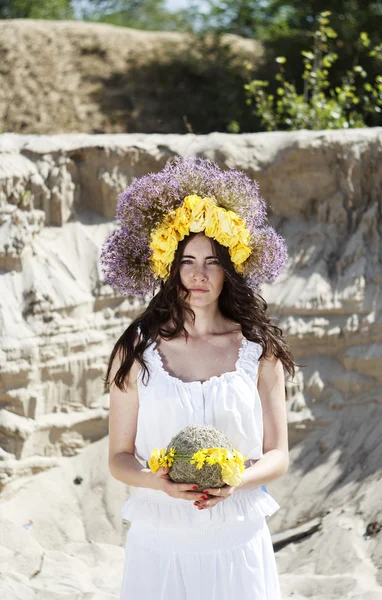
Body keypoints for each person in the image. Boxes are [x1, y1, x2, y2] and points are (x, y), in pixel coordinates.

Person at [101, 156, 296, 600]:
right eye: (187, 260)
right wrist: (159, 482)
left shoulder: (257, 352)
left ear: (231, 267)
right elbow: (119, 458)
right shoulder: (136, 353)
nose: (199, 275)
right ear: (170, 267)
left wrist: (237, 483)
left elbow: (278, 455)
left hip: (238, 542)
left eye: (212, 261)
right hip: (159, 546)